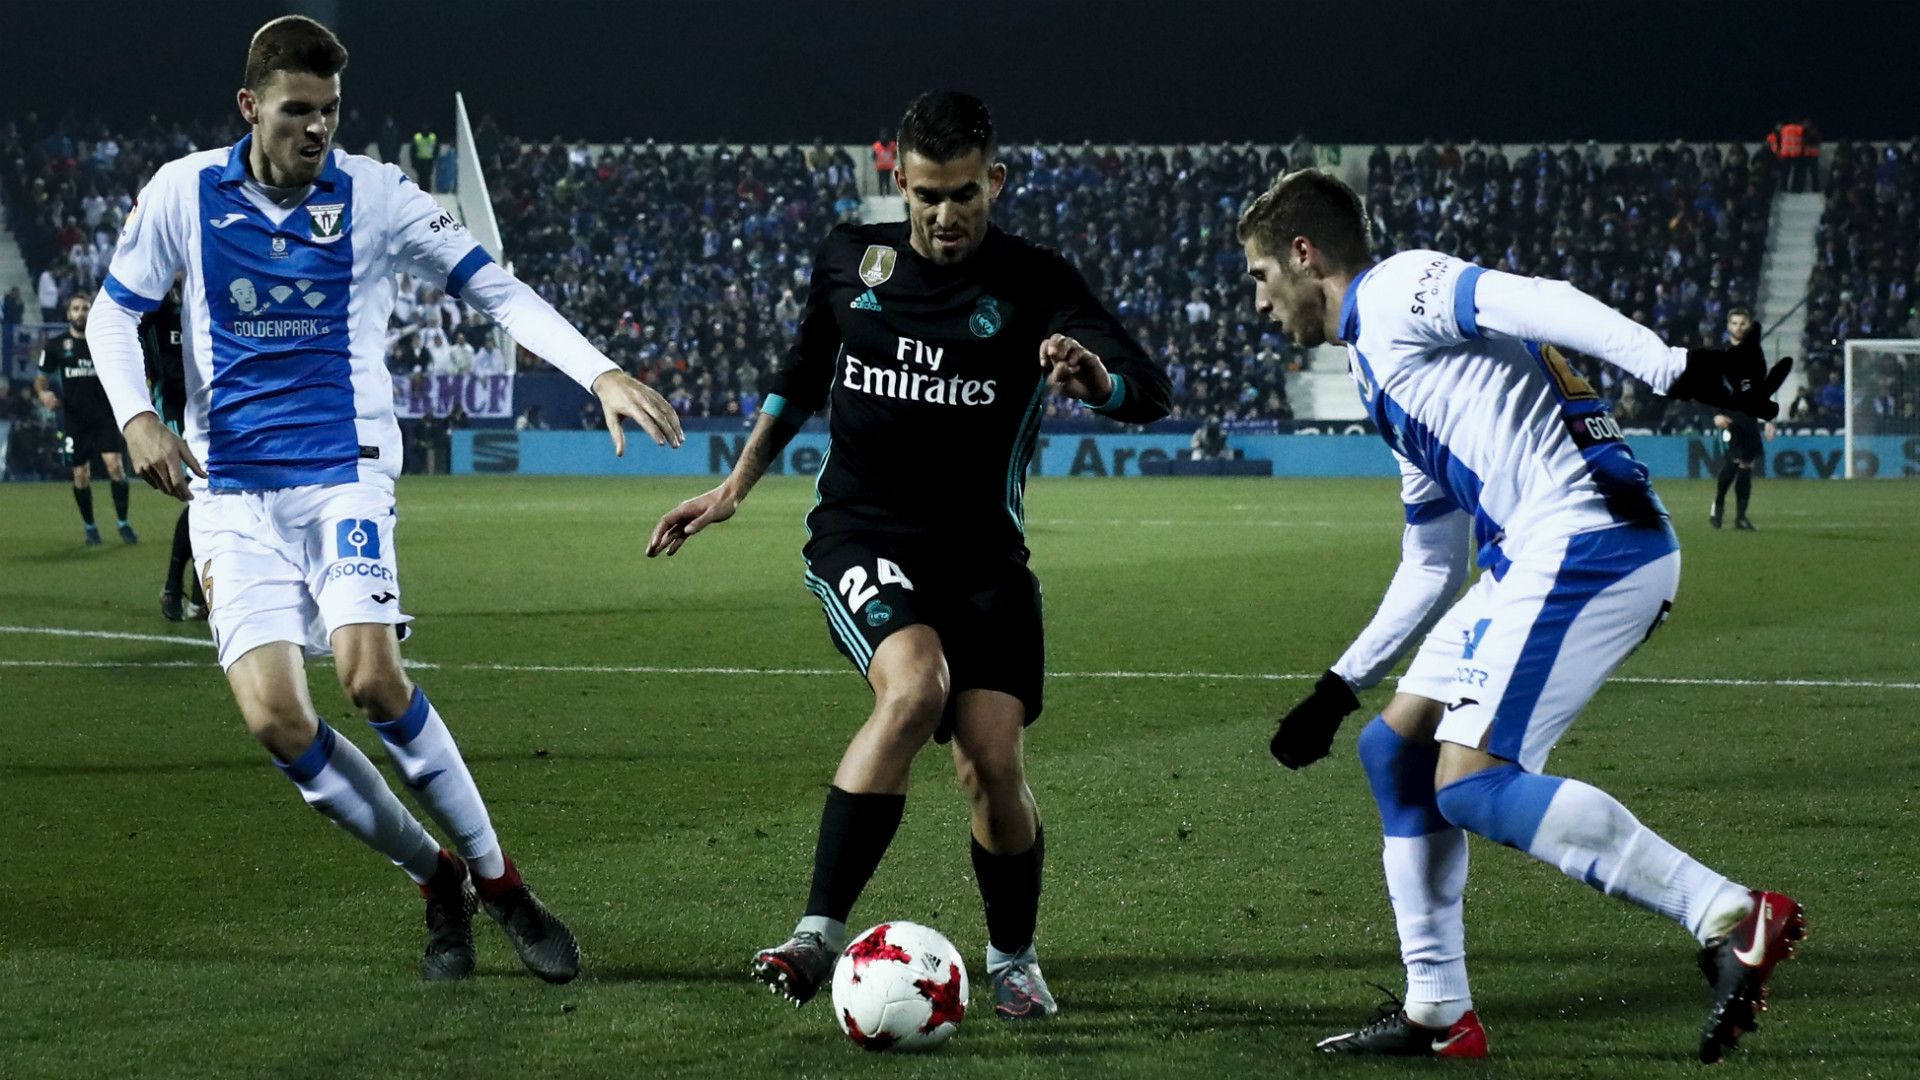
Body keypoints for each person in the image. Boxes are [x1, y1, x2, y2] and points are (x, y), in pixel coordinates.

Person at [86, 15, 684, 983]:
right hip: (232, 491)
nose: (316, 129)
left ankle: (503, 886)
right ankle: (434, 877)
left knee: (371, 678)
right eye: (296, 112)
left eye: (329, 112)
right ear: (251, 107)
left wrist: (598, 369)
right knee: (278, 719)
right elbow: (116, 310)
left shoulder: (375, 195)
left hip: (344, 471)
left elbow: (496, 289)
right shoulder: (182, 193)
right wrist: (136, 417)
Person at [1240, 169, 1801, 1063]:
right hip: (1527, 553)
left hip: (1588, 538)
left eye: (1262, 277)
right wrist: (1339, 685)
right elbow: (1430, 559)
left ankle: (1730, 915)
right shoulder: (1382, 371)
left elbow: (1535, 297)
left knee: (1472, 783)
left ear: (1305, 256)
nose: (1260, 303)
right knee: (1395, 751)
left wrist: (1673, 367)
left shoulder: (1396, 290)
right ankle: (1438, 1011)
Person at [647, 90, 1170, 1021]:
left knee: (991, 764)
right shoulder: (851, 259)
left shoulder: (1035, 279)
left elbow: (1148, 390)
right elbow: (803, 373)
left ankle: (1012, 959)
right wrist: (732, 489)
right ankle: (814, 939)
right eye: (927, 194)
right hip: (862, 535)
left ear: (994, 181)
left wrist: (1100, 378)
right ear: (900, 182)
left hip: (981, 559)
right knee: (914, 686)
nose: (945, 214)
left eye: (964, 193)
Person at [36, 293, 137, 545]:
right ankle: (90, 527)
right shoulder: (56, 346)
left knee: (115, 467)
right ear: (68, 313)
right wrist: (43, 394)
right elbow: (41, 378)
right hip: (74, 419)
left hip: (103, 415)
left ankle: (123, 523)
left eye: (85, 308)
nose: (80, 313)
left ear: (91, 312)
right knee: (80, 475)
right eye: (76, 308)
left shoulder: (102, 343)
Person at [141, 283, 207, 619]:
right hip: (176, 407)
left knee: (211, 496)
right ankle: (178, 589)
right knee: (202, 494)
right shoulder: (156, 310)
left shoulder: (204, 297)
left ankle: (197, 593)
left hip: (211, 404)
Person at [1710, 310, 1773, 531]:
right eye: (1734, 323)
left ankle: (1741, 517)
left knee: (1746, 465)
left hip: (1749, 418)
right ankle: (1718, 505)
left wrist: (1768, 419)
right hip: (1728, 417)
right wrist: (1715, 413)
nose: (1738, 327)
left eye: (1742, 323)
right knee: (1734, 461)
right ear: (1728, 326)